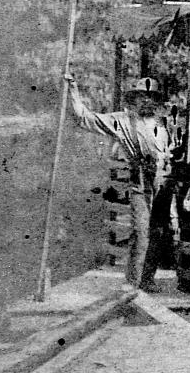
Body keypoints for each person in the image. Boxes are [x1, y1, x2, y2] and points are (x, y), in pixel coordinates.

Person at [65, 74, 175, 291]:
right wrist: (73, 90)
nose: (146, 101)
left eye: (151, 97)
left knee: (159, 232)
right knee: (141, 232)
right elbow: (84, 118)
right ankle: (133, 283)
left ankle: (147, 278)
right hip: (141, 183)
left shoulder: (165, 123)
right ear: (133, 99)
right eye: (141, 97)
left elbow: (173, 148)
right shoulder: (123, 121)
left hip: (164, 184)